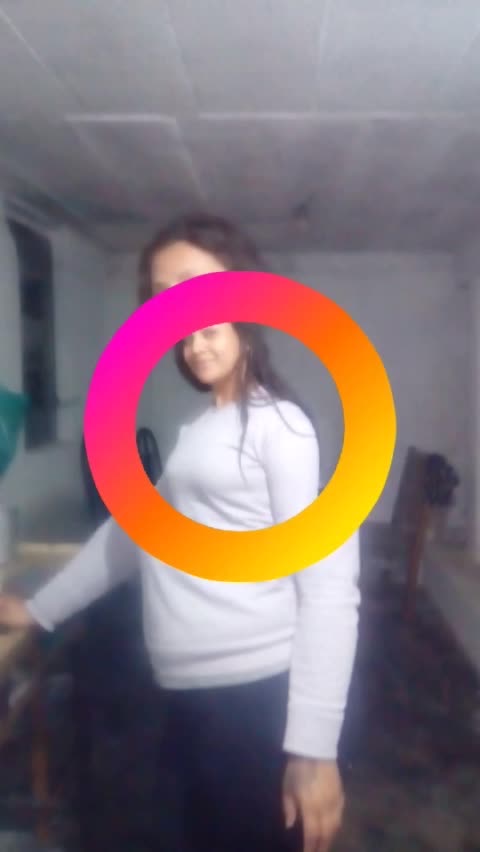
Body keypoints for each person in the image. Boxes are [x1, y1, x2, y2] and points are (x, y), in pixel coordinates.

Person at [0, 214, 360, 852]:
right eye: (165, 298)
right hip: (191, 694)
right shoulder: (201, 429)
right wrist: (39, 609)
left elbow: (330, 588)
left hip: (253, 700)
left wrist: (313, 748)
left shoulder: (280, 427)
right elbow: (135, 535)